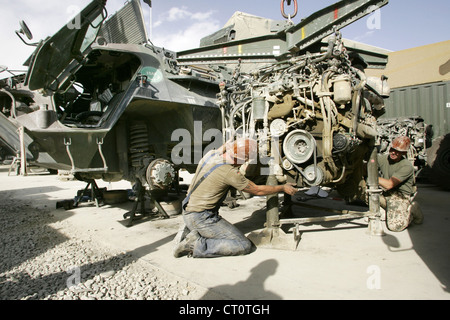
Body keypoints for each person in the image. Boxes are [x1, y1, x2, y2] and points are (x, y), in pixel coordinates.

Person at [172, 138, 298, 258]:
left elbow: (224, 147)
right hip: (201, 217)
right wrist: (282, 188)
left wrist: (232, 143)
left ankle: (191, 230)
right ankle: (194, 244)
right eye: (247, 160)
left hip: (187, 209)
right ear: (241, 159)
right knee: (242, 245)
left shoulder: (211, 155)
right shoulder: (229, 172)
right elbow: (257, 190)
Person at [377, 135, 423, 232]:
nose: (393, 153)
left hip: (400, 196)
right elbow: (371, 163)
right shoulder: (383, 159)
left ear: (404, 153)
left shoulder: (406, 166)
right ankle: (388, 210)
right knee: (361, 191)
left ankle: (412, 209)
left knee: (395, 227)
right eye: (392, 149)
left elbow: (389, 184)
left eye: (398, 151)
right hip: (386, 195)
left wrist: (373, 177)